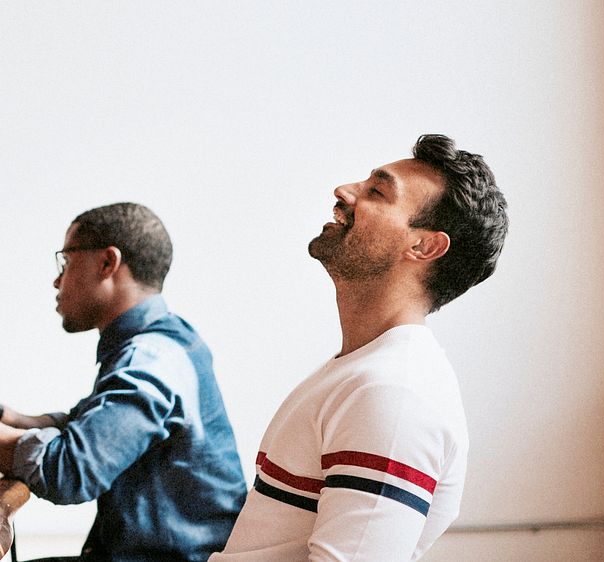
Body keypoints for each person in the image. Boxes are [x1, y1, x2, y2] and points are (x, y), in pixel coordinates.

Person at [211, 134, 509, 561]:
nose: (344, 191)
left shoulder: (393, 394)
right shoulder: (365, 373)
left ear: (423, 246)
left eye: (377, 192)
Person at [0, 203, 247, 561]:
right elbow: (91, 424)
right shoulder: (170, 339)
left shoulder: (150, 359)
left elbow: (70, 469)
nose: (57, 280)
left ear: (106, 263)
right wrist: (20, 420)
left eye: (65, 262)